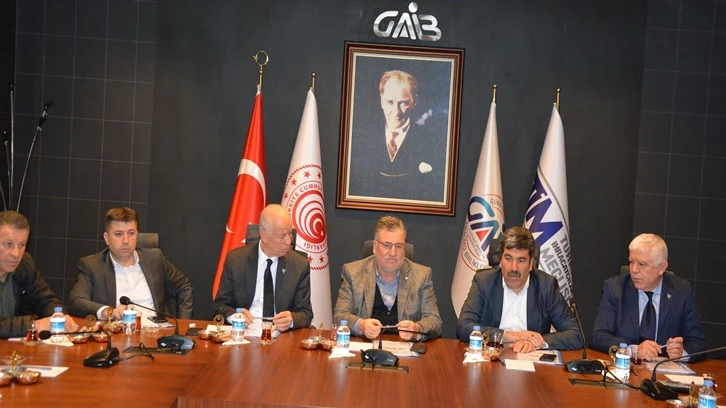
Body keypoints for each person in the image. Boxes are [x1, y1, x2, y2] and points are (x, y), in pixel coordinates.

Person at [456, 227, 582, 352]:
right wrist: (511, 336)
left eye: (521, 260)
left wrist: (535, 342)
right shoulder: (484, 282)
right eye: (508, 258)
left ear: (531, 264)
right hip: (492, 357)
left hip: (530, 359)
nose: (514, 268)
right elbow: (464, 326)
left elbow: (575, 334)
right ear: (500, 260)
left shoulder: (546, 286)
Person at [591, 233, 707, 361]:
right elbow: (599, 336)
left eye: (642, 264)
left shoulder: (681, 292)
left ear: (661, 267)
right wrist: (634, 350)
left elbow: (698, 343)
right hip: (626, 367)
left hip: (663, 369)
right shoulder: (615, 288)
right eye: (631, 262)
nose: (634, 270)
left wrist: (682, 353)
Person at [68, 207, 194, 320]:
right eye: (118, 234)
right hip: (118, 333)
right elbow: (76, 301)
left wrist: (183, 324)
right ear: (107, 238)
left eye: (131, 233)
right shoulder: (92, 265)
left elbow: (184, 286)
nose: (126, 240)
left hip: (156, 332)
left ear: (137, 234)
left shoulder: (155, 259)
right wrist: (108, 312)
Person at [334, 216, 442, 341]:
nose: (393, 253)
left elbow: (435, 321)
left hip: (406, 349)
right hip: (366, 348)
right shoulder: (353, 273)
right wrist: (361, 326)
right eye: (387, 245)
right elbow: (339, 315)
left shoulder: (422, 276)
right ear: (375, 246)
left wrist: (416, 329)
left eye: (399, 246)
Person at [348, 70, 447, 202]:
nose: (396, 111)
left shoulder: (431, 143)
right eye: (390, 102)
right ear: (381, 101)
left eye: (403, 103)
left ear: (414, 102)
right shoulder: (362, 140)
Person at [213, 204, 312, 331]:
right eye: (282, 236)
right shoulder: (236, 260)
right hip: (243, 332)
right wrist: (234, 316)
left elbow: (306, 313)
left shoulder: (299, 265)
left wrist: (291, 320)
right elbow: (220, 305)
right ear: (264, 235)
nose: (289, 241)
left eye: (290, 233)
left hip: (280, 335)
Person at [0, 211, 78, 338]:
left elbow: (46, 299)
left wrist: (59, 317)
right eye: (9, 244)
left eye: (21, 245)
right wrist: (34, 325)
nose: (16, 253)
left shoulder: (25, 264)